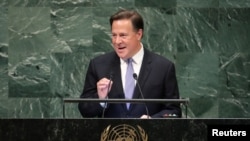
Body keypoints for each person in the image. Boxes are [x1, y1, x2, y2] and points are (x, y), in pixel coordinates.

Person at [78, 9, 181, 118]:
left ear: (138, 34)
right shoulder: (98, 65)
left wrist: (153, 121)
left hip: (150, 134)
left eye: (123, 35)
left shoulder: (163, 68)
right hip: (109, 134)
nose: (117, 41)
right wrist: (101, 99)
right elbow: (84, 110)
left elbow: (174, 111)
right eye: (114, 35)